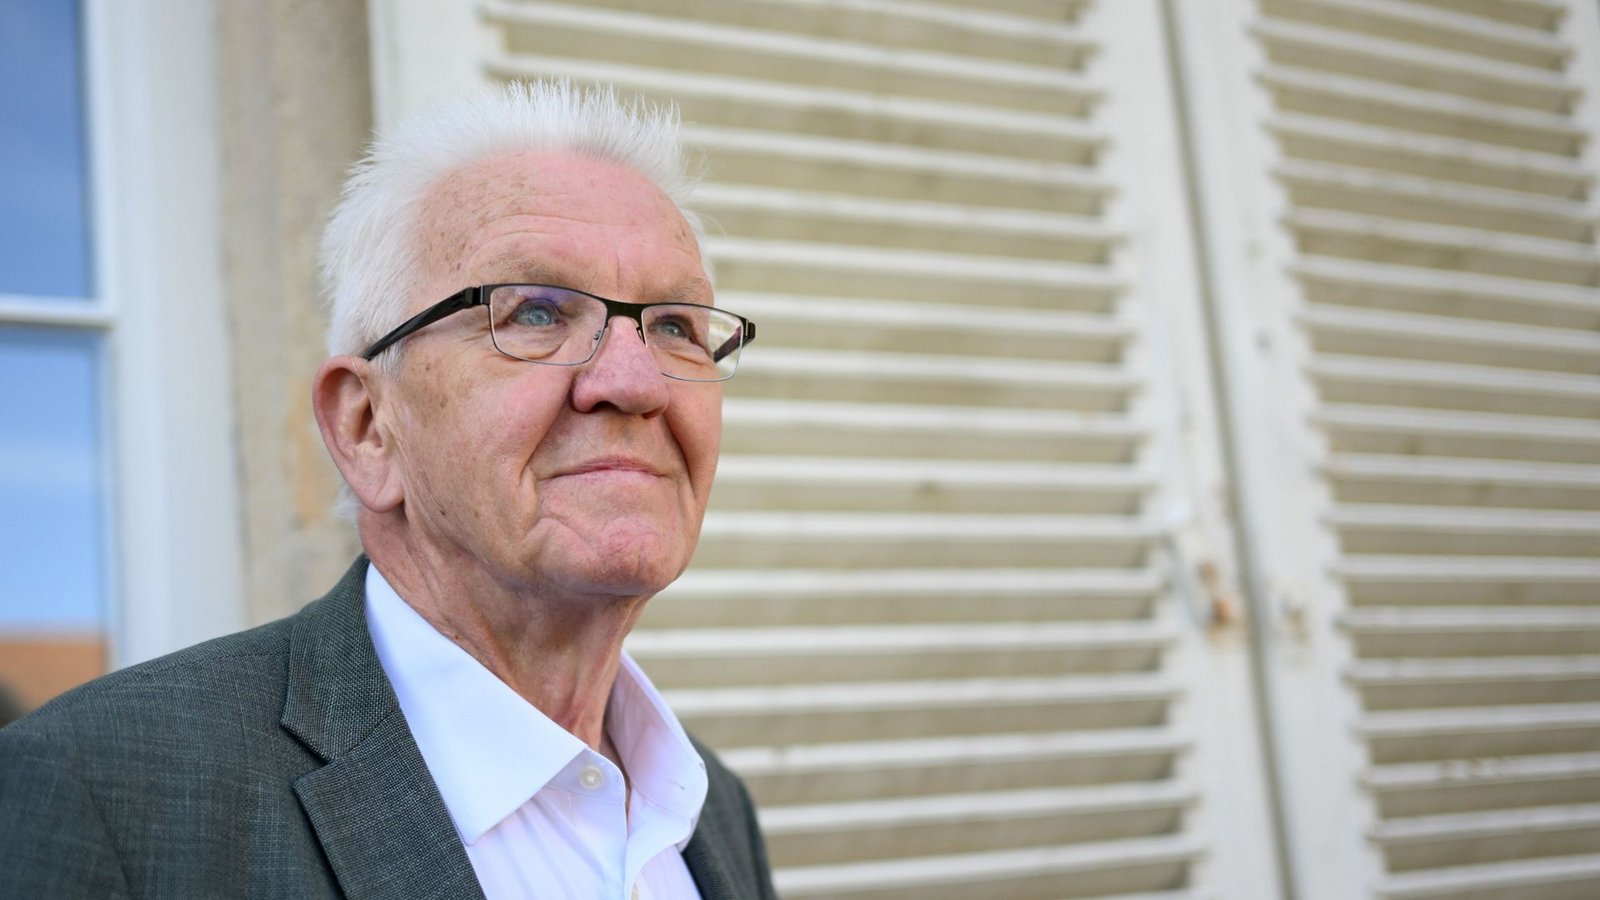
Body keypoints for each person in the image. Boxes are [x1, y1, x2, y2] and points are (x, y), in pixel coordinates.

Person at [0, 81, 775, 900]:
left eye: (677, 327)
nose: (635, 381)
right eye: (538, 313)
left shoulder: (709, 805)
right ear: (368, 426)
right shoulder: (104, 798)